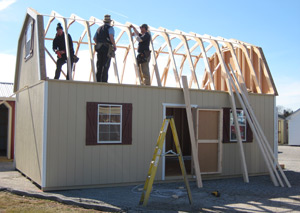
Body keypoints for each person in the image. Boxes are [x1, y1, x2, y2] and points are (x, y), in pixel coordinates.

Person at [93, 14, 117, 82]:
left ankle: (97, 81)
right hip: (106, 48)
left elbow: (94, 38)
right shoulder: (110, 28)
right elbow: (111, 36)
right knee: (105, 65)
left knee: (99, 65)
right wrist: (114, 45)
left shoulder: (99, 29)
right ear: (109, 22)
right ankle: (104, 81)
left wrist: (99, 42)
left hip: (99, 48)